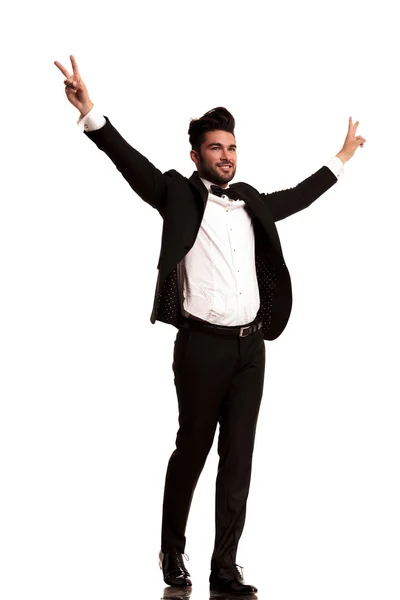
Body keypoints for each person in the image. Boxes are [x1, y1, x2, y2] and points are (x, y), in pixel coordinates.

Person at [54, 55, 366, 596]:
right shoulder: (177, 192)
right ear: (197, 154)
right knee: (192, 449)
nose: (226, 157)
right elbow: (131, 164)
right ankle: (172, 555)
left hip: (251, 351)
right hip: (200, 346)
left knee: (239, 459)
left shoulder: (251, 203)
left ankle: (226, 566)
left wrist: (341, 157)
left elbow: (300, 195)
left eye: (232, 148)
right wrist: (91, 113)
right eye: (216, 148)